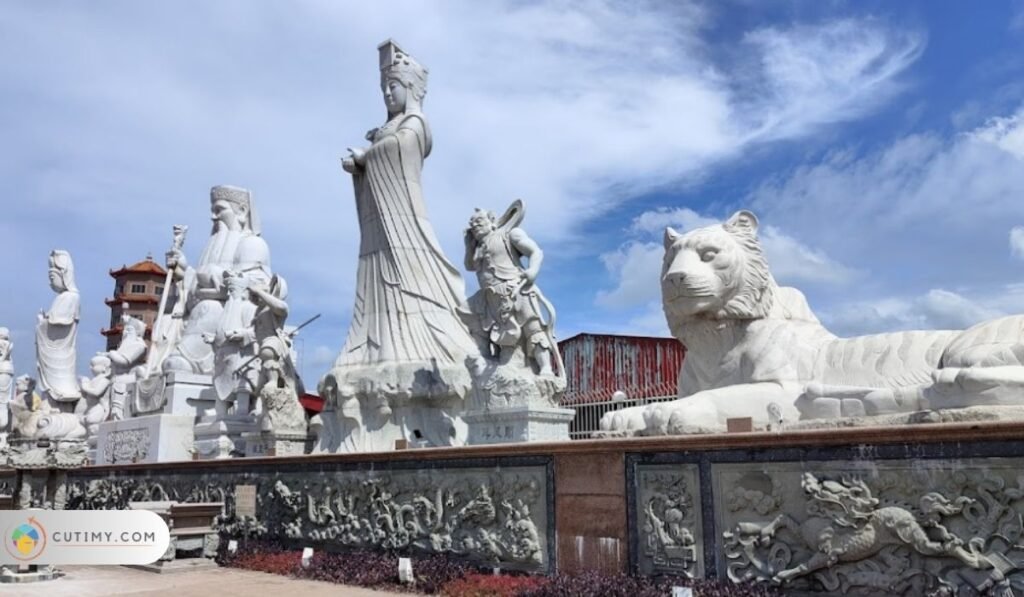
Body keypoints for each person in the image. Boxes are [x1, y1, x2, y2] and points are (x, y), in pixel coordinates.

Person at [334, 40, 478, 393]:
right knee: (375, 274)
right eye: (383, 87)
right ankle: (373, 345)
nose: (387, 93)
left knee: (411, 279)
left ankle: (416, 345)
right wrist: (362, 165)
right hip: (379, 231)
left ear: (411, 88)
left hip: (404, 225)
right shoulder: (391, 127)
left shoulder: (414, 124)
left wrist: (367, 157)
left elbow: (400, 148)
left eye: (393, 85)